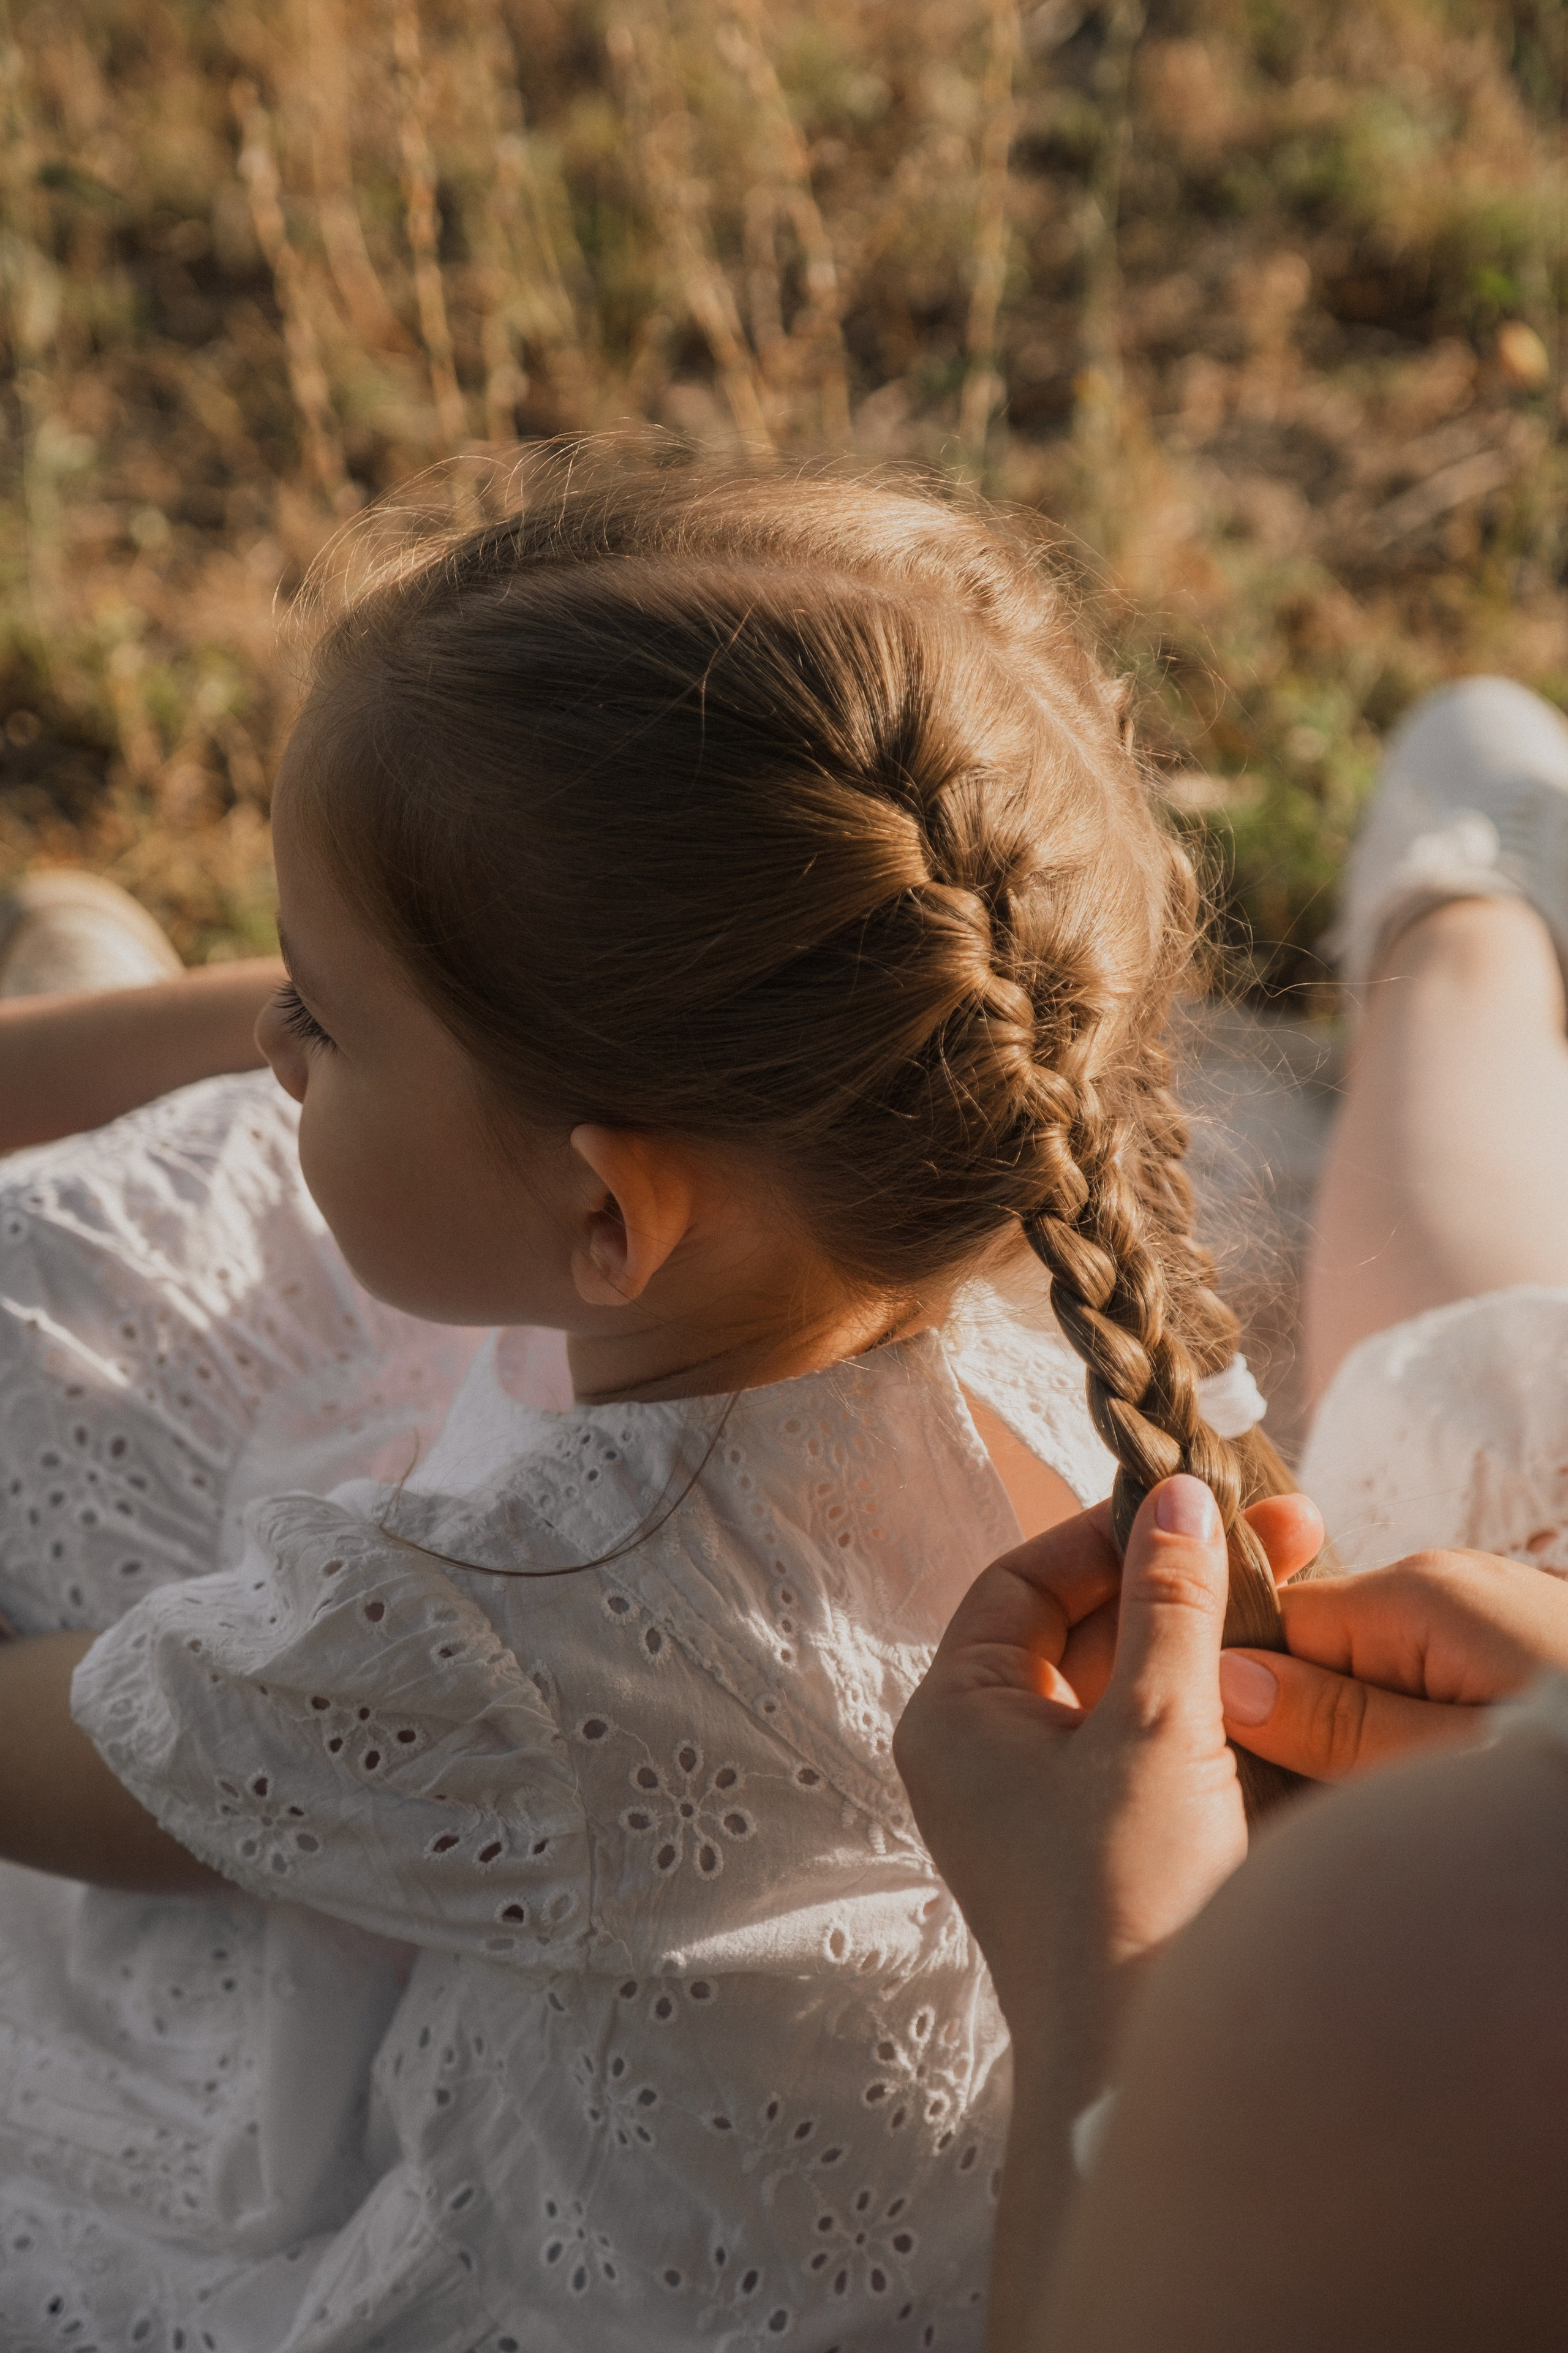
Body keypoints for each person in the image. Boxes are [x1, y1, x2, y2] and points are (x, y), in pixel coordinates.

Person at [0, 463, 1303, 2351]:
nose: (276, 1046)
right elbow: (367, 1030)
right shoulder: (1018, 1259)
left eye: (319, 1014)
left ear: (608, 1214)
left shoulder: (491, 1625)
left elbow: (58, 1758)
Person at [897, 674, 1568, 2349]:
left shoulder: (1372, 2019)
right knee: (1489, 1353)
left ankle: (1465, 933)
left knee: (1459, 1293)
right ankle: (1476, 927)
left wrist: (1095, 1976)